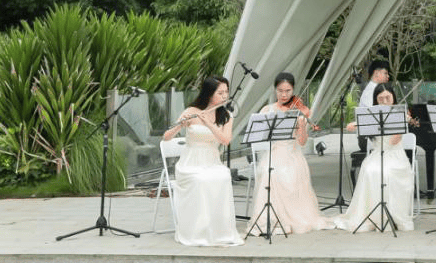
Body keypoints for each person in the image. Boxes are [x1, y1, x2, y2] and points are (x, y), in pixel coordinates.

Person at [248, 72, 333, 234]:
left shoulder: (299, 112)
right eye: (280, 91)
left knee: (289, 173)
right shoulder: (267, 110)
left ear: (293, 90)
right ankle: (271, 217)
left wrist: (301, 126)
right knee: (269, 173)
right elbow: (258, 137)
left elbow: (301, 142)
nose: (284, 94)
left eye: (288, 91)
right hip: (273, 153)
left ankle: (291, 218)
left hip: (292, 155)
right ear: (275, 90)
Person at [162, 75, 243, 246]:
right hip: (190, 163)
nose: (224, 96)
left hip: (212, 161)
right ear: (209, 94)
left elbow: (225, 140)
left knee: (223, 176)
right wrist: (180, 125)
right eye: (220, 92)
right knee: (201, 180)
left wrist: (211, 124)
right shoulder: (191, 111)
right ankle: (197, 232)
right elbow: (166, 137)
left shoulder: (226, 115)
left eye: (226, 92)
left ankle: (219, 232)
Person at [334, 83, 414, 232]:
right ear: (376, 100)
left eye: (388, 98)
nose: (384, 101)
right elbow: (363, 126)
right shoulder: (372, 114)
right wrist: (354, 124)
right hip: (378, 153)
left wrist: (403, 123)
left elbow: (393, 141)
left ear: (393, 97)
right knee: (369, 170)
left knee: (387, 173)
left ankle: (393, 215)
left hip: (395, 155)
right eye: (380, 99)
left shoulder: (400, 113)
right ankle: (375, 216)